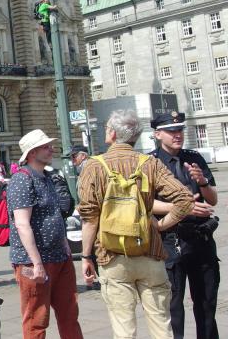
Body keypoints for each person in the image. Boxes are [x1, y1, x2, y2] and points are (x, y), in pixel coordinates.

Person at [79, 110, 195, 338]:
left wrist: (85, 256)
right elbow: (185, 199)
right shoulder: (150, 163)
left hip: (112, 255)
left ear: (112, 133)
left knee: (124, 329)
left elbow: (90, 218)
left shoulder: (94, 166)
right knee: (162, 325)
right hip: (150, 252)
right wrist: (161, 225)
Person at [149, 111, 220, 339]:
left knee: (207, 303)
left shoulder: (194, 157)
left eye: (179, 129)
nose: (177, 134)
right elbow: (146, 204)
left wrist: (202, 182)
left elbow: (212, 199)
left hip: (201, 238)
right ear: (158, 134)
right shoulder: (150, 163)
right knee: (173, 307)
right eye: (171, 131)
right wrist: (182, 208)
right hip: (171, 240)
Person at [9, 129, 83, 339]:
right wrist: (37, 263)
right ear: (31, 153)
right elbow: (22, 224)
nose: (51, 149)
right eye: (45, 146)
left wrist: (65, 245)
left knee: (69, 314)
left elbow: (54, 214)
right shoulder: (22, 180)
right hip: (34, 262)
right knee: (36, 320)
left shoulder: (47, 176)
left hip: (60, 256)